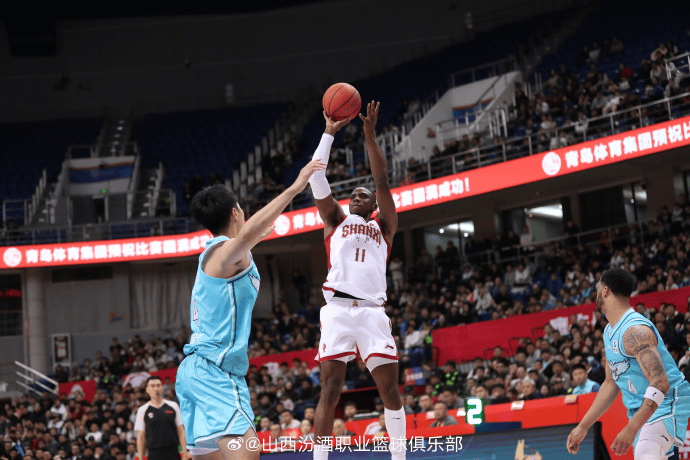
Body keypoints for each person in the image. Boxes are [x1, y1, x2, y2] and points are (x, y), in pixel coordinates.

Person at [175, 160, 325, 460]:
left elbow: (245, 241)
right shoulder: (221, 252)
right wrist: (295, 188)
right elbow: (243, 239)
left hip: (198, 371)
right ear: (236, 212)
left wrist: (255, 237)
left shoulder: (223, 255)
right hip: (214, 371)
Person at [309, 102, 405, 460]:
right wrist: (328, 134)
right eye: (352, 195)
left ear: (373, 204)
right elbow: (316, 178)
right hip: (336, 309)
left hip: (372, 311)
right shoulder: (335, 219)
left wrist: (369, 134)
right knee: (330, 390)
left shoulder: (384, 226)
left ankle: (399, 455)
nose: (354, 197)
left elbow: (382, 181)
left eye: (362, 195)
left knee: (390, 391)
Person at [566, 268, 690, 458]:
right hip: (643, 410)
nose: (595, 294)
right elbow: (610, 383)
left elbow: (660, 383)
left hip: (666, 403)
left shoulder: (634, 331)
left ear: (605, 291)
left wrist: (631, 428)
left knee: (645, 453)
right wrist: (583, 427)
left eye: (597, 289)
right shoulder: (609, 331)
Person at [134, 376, 187, 460]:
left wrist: (185, 454)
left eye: (158, 385)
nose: (156, 388)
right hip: (154, 454)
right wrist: (141, 458)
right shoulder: (142, 410)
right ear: (147, 389)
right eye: (152, 386)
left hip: (173, 452)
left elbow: (180, 431)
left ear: (162, 388)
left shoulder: (173, 406)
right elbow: (141, 437)